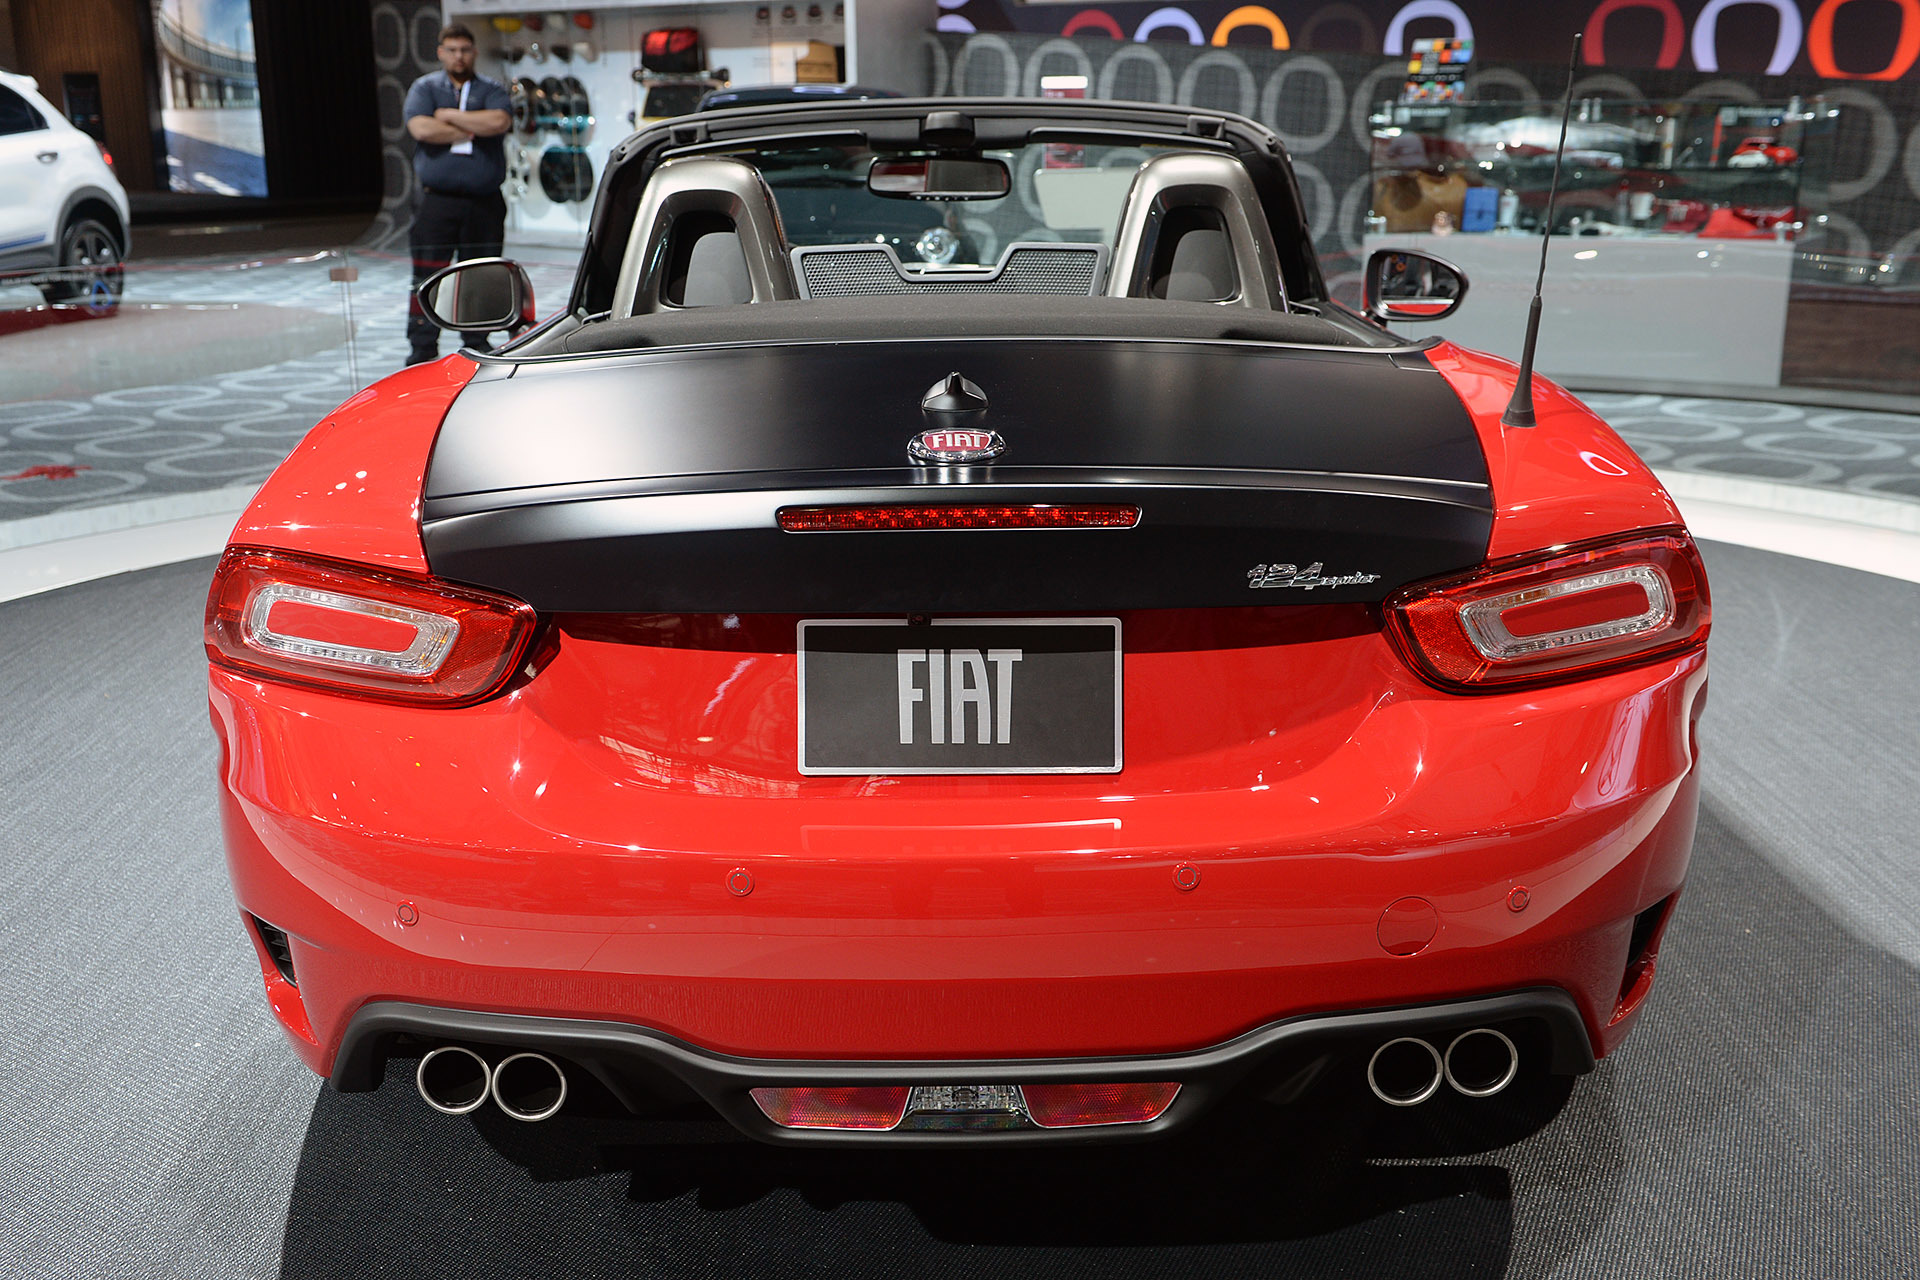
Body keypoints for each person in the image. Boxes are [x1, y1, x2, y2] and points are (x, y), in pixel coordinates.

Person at [403, 24, 513, 365]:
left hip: (484, 202)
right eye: (451, 50)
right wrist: (472, 126)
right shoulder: (425, 88)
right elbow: (421, 128)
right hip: (436, 201)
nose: (458, 56)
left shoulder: (491, 89)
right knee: (427, 275)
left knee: (480, 276)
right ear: (441, 52)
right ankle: (422, 345)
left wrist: (449, 117)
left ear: (474, 52)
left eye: (464, 49)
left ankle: (478, 341)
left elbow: (498, 122)